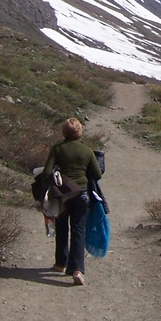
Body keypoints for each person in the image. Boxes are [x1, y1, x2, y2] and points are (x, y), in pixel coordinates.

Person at [42, 117, 103, 286]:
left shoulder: (58, 149)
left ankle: (61, 263)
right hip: (82, 194)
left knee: (61, 227)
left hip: (62, 195)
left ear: (64, 132)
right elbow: (97, 174)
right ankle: (77, 270)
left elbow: (47, 172)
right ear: (79, 131)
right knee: (78, 230)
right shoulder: (87, 151)